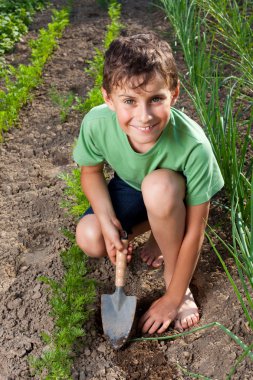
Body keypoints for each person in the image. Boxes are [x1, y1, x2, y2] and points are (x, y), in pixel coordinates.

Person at [73, 33, 224, 334]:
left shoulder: (193, 146)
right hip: (130, 186)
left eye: (156, 99)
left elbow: (196, 230)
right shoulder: (96, 123)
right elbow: (91, 173)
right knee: (90, 237)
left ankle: (172, 270)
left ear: (174, 93)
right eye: (129, 101)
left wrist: (173, 296)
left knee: (159, 188)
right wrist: (106, 221)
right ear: (108, 99)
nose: (144, 116)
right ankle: (158, 226)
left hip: (171, 192)